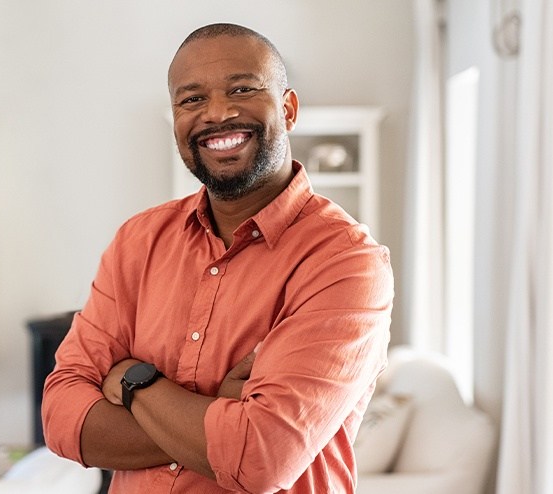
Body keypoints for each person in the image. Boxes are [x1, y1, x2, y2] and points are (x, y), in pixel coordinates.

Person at [42, 23, 393, 494]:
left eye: (242, 89)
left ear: (288, 109)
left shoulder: (346, 262)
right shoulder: (138, 241)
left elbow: (262, 457)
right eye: (191, 100)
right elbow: (62, 419)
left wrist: (134, 382)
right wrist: (217, 415)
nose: (218, 114)